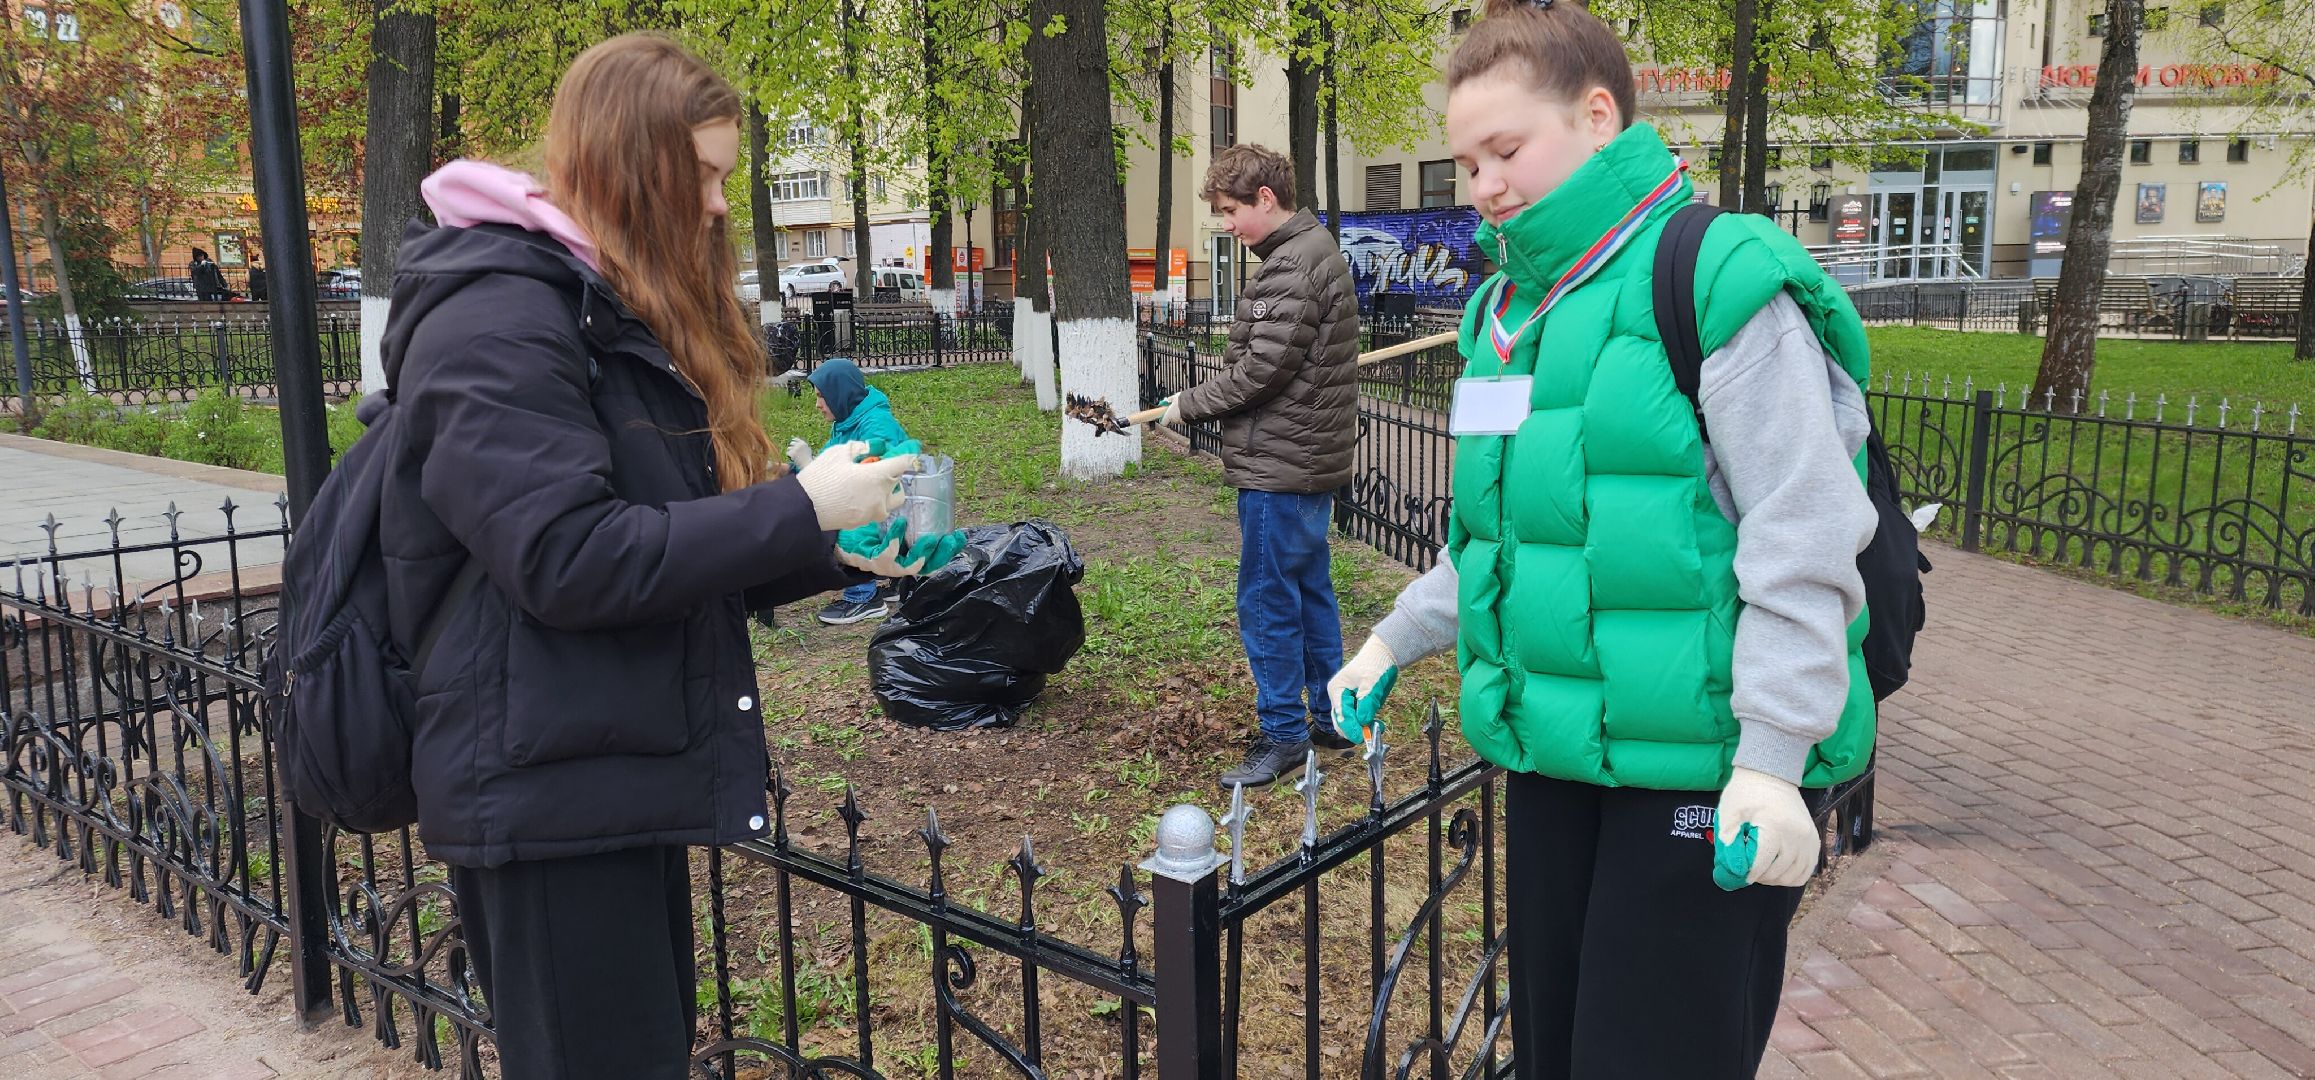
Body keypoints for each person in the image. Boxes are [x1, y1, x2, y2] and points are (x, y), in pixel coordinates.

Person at [1326, 1, 1879, 1075]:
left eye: (1504, 149)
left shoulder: (1713, 279)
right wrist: (1393, 638)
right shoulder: (1505, 312)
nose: (1482, 184)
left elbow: (1802, 536)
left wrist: (1771, 760)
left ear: (1594, 115)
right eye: (1464, 161)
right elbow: (1498, 539)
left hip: (1701, 774)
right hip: (1555, 761)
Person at [375, 34, 932, 1080]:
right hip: (539, 798)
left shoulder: (585, 306)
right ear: (635, 164)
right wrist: (798, 507)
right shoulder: (497, 314)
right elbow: (567, 557)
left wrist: (836, 547)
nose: (718, 205)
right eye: (705, 175)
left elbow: (663, 547)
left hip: (595, 765)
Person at [1155, 143, 1361, 789]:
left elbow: (1259, 372)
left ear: (1264, 199)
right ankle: (1329, 717)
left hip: (1280, 466)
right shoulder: (1310, 251)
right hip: (1303, 461)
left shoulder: (1290, 266)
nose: (1226, 225)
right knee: (1307, 591)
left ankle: (1283, 734)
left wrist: (1186, 406)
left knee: (1268, 601)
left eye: (1229, 211)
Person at [795, 357, 910, 625]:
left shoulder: (877, 425)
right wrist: (784, 470)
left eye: (822, 396)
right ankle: (895, 577)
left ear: (840, 393)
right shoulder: (848, 422)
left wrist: (808, 465)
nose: (818, 405)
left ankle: (864, 597)